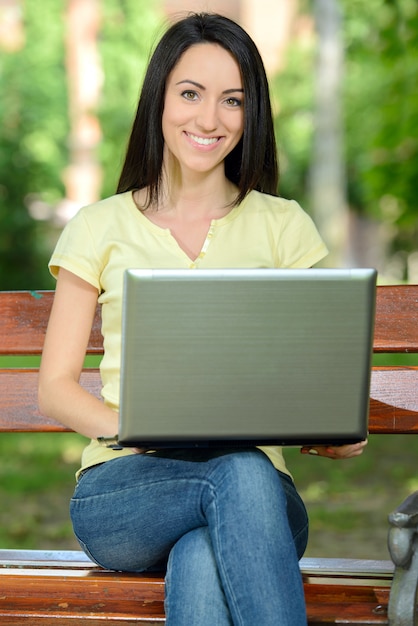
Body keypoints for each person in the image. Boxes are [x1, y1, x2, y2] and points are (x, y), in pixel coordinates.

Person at [39, 12, 367, 625]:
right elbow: (55, 389)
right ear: (160, 98)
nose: (209, 120)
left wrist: (333, 425)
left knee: (207, 544)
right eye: (190, 94)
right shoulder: (99, 226)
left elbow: (316, 372)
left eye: (232, 101)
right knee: (235, 481)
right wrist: (139, 427)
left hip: (262, 496)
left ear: (252, 114)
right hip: (126, 490)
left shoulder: (283, 224)